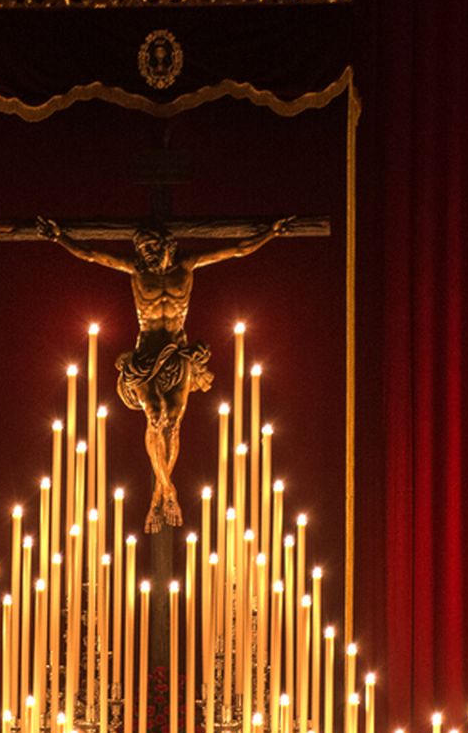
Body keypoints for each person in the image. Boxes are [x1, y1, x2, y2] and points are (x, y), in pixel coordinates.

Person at [33, 216, 294, 529]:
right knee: (155, 416)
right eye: (143, 248)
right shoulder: (136, 270)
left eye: (153, 246)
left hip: (177, 351)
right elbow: (91, 254)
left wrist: (269, 234)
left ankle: (159, 493)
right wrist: (59, 238)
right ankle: (168, 489)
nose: (148, 253)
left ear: (169, 245)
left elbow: (237, 249)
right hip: (145, 354)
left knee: (172, 422)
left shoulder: (186, 266)